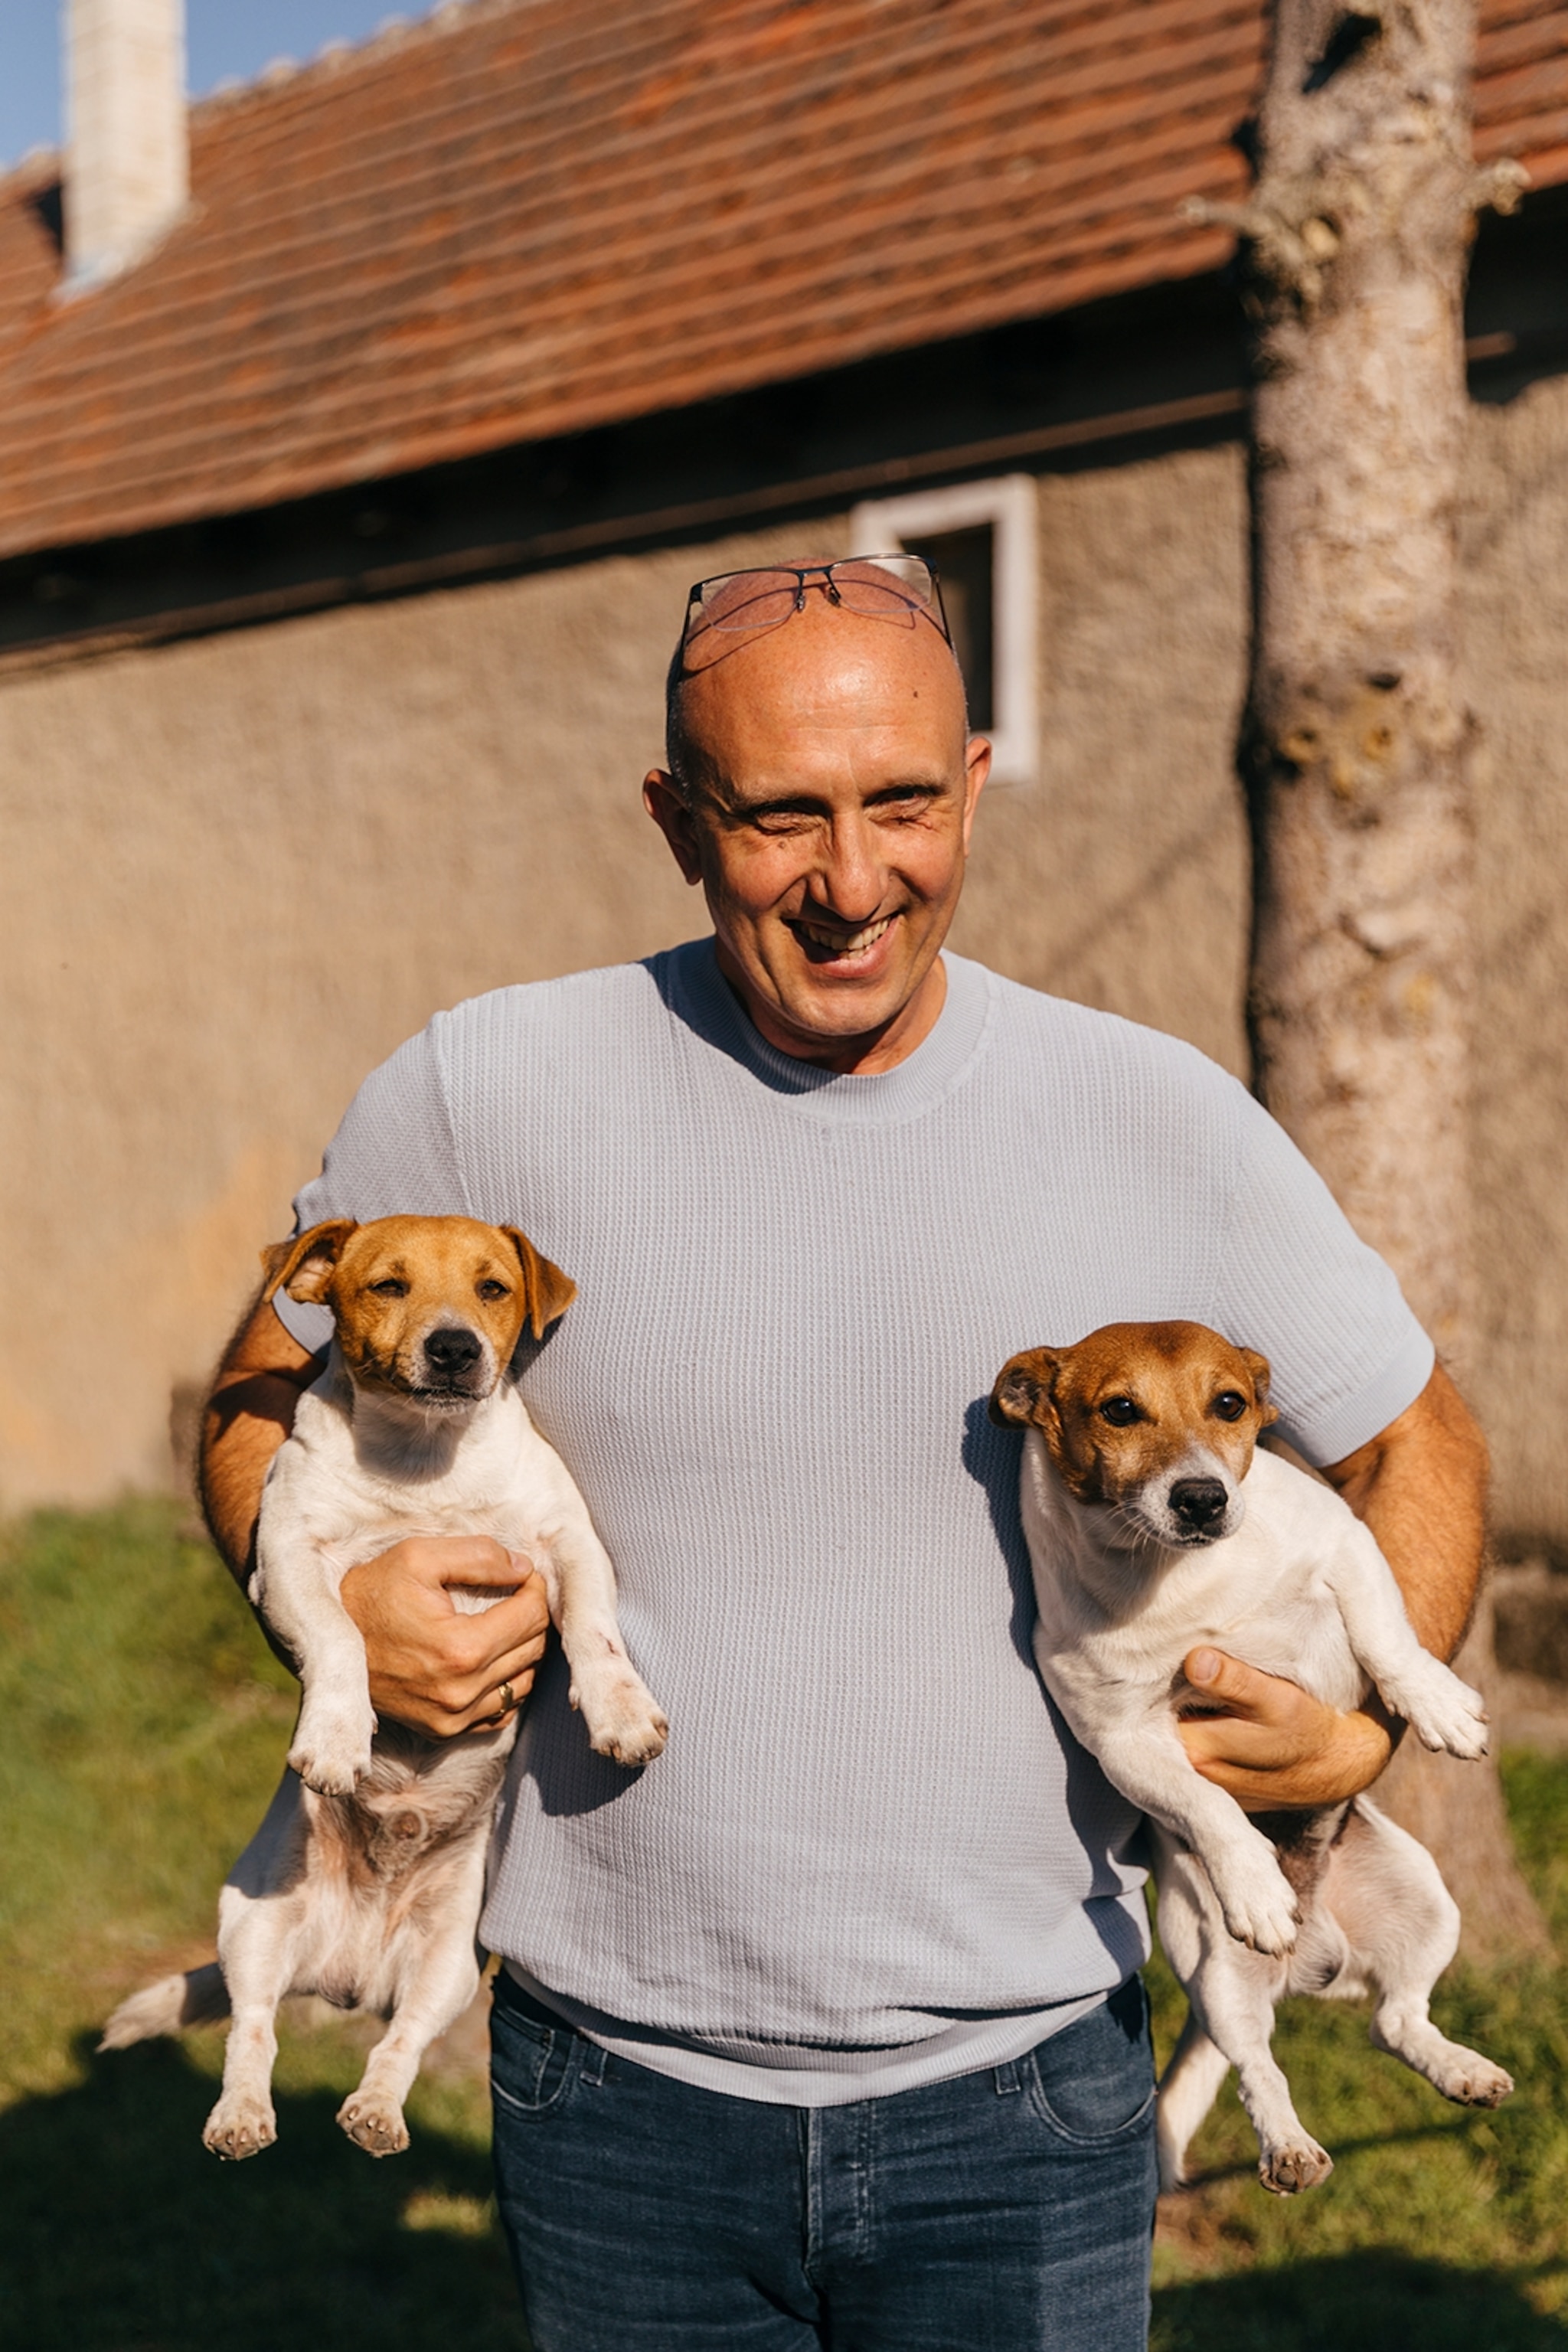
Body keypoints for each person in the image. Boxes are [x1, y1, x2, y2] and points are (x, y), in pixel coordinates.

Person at [201, 557, 1486, 2352]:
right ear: (673, 817)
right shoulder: (482, 1086)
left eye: (901, 804)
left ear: (972, 778)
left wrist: (1356, 1721)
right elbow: (258, 1389)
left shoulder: (1152, 1110)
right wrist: (331, 1610)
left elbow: (1412, 1427)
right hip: (613, 2096)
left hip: (1025, 2098)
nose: (852, 881)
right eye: (779, 818)